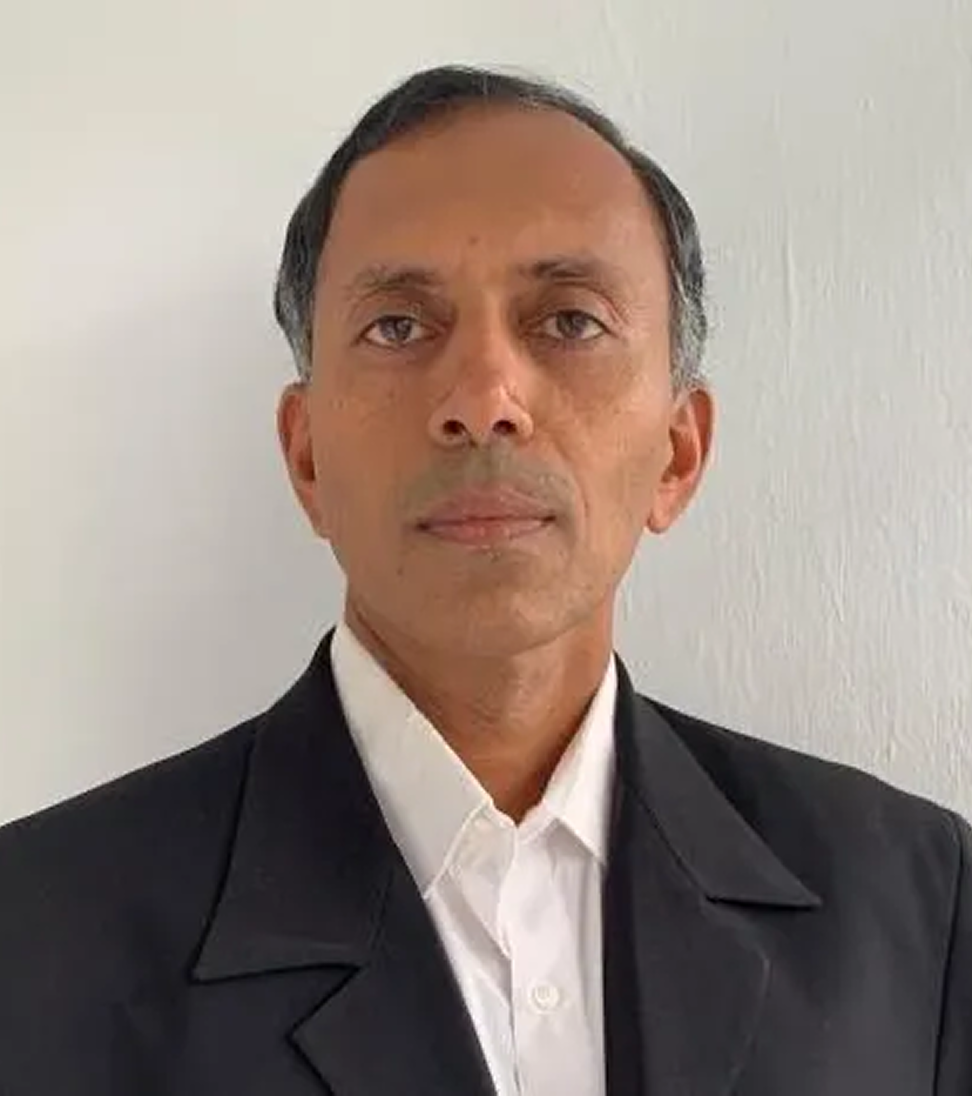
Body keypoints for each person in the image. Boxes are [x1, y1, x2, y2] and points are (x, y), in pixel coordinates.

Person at [0, 63, 968, 1096]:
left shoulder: (915, 909)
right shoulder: (36, 941)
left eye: (570, 320)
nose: (485, 398)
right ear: (307, 457)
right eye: (399, 326)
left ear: (678, 453)